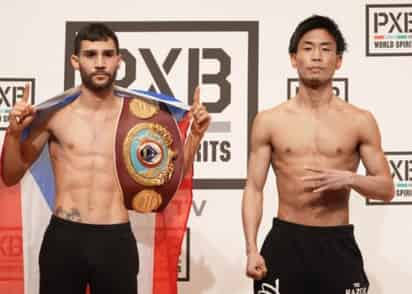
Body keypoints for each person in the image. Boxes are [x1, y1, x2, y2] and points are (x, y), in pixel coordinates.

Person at [1, 23, 210, 294]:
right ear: (75, 61)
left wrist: (193, 137)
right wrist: (14, 134)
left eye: (107, 54)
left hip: (115, 240)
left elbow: (170, 179)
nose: (100, 63)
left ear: (119, 60)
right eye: (90, 55)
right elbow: (11, 175)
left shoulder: (141, 119)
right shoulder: (55, 117)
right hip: (65, 238)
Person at [242, 15, 394, 294]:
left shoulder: (360, 120)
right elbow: (254, 188)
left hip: (336, 243)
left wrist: (349, 178)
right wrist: (251, 249)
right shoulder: (269, 121)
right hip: (286, 241)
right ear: (293, 58)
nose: (316, 57)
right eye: (308, 48)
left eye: (325, 50)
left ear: (338, 61)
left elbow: (386, 188)